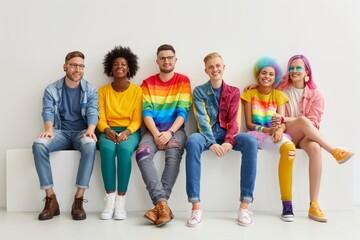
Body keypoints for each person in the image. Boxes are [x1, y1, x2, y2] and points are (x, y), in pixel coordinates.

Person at [270, 54, 354, 222]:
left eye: (298, 67)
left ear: (307, 71)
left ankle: (314, 205)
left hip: (305, 136)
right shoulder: (281, 90)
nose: (294, 71)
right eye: (291, 68)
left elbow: (313, 124)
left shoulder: (317, 95)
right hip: (287, 134)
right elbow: (264, 88)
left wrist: (287, 119)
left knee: (315, 148)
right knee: (302, 120)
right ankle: (334, 151)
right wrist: (252, 86)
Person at [185, 52, 258, 227]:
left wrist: (228, 141)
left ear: (223, 67)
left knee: (250, 142)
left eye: (218, 66)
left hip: (227, 134)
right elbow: (202, 121)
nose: (215, 69)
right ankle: (196, 207)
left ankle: (244, 207)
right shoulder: (199, 91)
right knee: (192, 141)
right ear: (206, 70)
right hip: (206, 134)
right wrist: (211, 144)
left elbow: (234, 120)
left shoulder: (233, 91)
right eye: (211, 67)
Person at [32, 51, 98, 221]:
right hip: (59, 132)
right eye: (74, 65)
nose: (77, 69)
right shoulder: (51, 89)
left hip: (81, 133)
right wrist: (49, 130)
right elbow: (47, 111)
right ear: (65, 66)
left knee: (90, 144)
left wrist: (91, 129)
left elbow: (93, 111)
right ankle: (51, 199)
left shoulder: (90, 89)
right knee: (39, 144)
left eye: (81, 66)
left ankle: (78, 200)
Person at [135, 44, 192, 227]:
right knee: (142, 154)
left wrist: (169, 133)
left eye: (170, 57)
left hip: (175, 131)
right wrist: (157, 134)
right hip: (153, 131)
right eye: (163, 58)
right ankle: (163, 205)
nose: (166, 61)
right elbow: (147, 113)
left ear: (175, 60)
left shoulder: (183, 81)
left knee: (173, 155)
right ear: (157, 61)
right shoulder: (147, 83)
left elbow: (183, 112)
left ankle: (159, 205)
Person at [241, 57, 296, 222]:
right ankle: (247, 204)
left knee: (290, 149)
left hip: (275, 133)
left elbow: (281, 119)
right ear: (258, 75)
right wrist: (268, 130)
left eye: (271, 74)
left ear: (275, 78)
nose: (267, 76)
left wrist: (279, 129)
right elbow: (250, 124)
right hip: (258, 134)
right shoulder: (248, 94)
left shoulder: (279, 95)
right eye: (264, 73)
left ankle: (287, 204)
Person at [97, 46, 142, 220]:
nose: (120, 66)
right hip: (107, 130)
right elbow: (100, 117)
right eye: (116, 64)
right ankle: (110, 201)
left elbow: (137, 119)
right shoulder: (102, 91)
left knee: (124, 150)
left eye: (123, 64)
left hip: (130, 131)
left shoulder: (137, 91)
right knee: (107, 150)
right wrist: (107, 130)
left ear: (129, 68)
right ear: (111, 67)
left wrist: (127, 132)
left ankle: (121, 202)